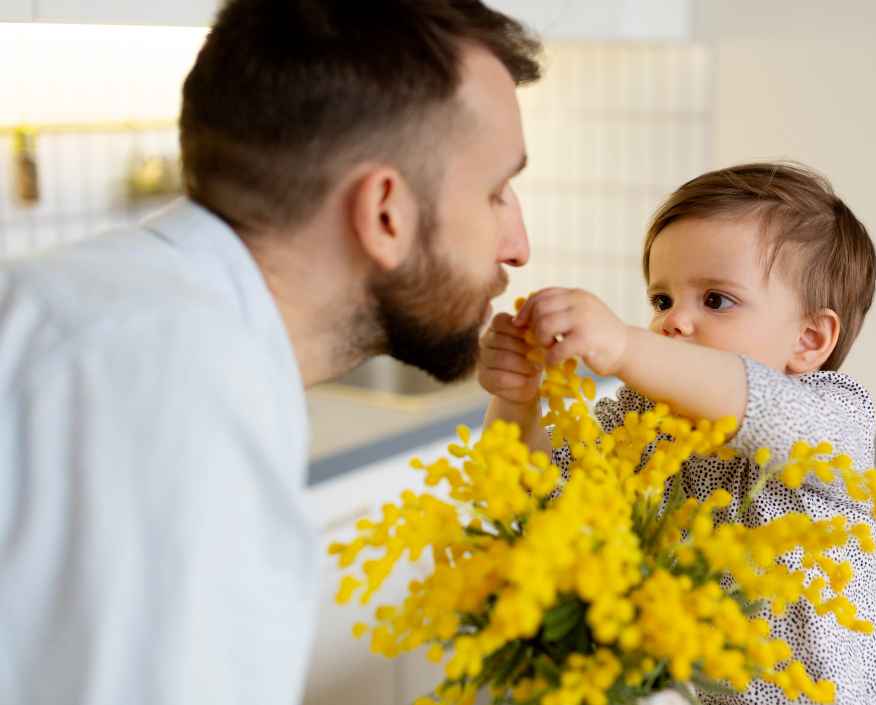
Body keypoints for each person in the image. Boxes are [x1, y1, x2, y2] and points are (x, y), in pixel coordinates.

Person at [0, 2, 540, 704]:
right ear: (385, 213)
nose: (518, 246)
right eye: (497, 192)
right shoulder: (183, 396)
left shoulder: (106, 309)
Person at [478, 163, 876, 704]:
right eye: (661, 300)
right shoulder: (642, 419)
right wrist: (516, 401)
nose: (671, 322)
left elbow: (755, 401)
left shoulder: (834, 417)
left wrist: (626, 346)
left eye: (715, 300)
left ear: (809, 339)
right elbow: (539, 500)